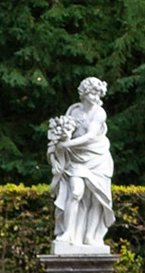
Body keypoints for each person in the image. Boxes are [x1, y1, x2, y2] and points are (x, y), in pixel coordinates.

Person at [47, 77, 115, 250]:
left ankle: (90, 236)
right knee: (76, 192)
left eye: (98, 94)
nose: (96, 97)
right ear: (83, 93)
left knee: (96, 198)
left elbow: (90, 136)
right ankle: (68, 232)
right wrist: (57, 153)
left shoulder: (99, 113)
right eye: (92, 93)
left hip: (98, 157)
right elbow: (61, 137)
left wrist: (67, 145)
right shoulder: (73, 110)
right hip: (76, 159)